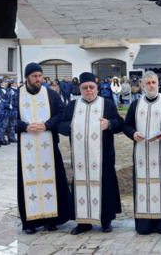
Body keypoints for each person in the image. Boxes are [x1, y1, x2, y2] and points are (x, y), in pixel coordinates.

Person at [57, 72, 124, 235]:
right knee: (81, 187)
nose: (88, 90)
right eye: (85, 88)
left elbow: (120, 123)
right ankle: (83, 223)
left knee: (104, 186)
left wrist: (109, 124)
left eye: (91, 87)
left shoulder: (107, 104)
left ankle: (105, 221)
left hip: (103, 157)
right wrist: (70, 126)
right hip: (80, 158)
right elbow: (61, 124)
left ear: (97, 88)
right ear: (80, 89)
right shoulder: (72, 106)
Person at [122, 72, 161, 234]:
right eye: (148, 83)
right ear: (143, 86)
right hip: (141, 153)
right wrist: (133, 134)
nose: (151, 85)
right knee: (143, 188)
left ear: (158, 84)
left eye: (153, 83)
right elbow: (127, 126)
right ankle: (145, 224)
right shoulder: (136, 104)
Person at [18, 62, 73, 234]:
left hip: (48, 144)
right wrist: (24, 127)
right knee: (28, 183)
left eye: (40, 76)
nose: (38, 79)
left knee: (53, 180)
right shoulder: (17, 95)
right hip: (26, 148)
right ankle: (30, 223)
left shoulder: (50, 94)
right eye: (34, 76)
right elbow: (8, 118)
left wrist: (48, 125)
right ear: (27, 77)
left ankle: (52, 220)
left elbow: (61, 114)